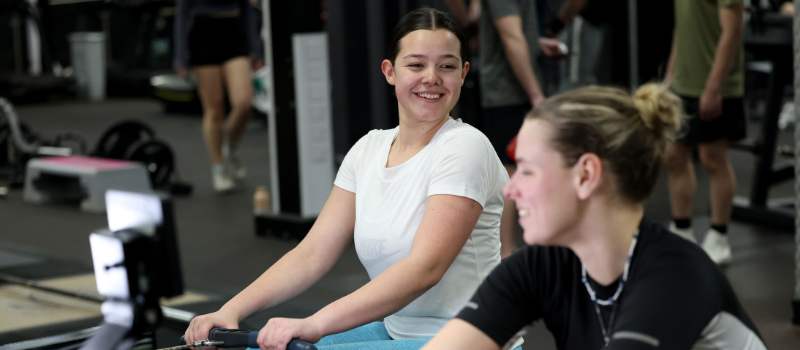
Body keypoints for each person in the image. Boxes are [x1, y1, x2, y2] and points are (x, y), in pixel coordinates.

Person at [183, 7, 507, 350]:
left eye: (447, 66)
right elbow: (312, 254)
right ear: (389, 71)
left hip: (471, 338)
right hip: (400, 332)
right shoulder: (368, 149)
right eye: (415, 65)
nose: (432, 77)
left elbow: (425, 268)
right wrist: (230, 310)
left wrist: (315, 323)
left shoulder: (465, 147)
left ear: (463, 73)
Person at [422, 84, 767, 349]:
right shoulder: (543, 265)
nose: (511, 191)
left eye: (527, 171)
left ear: (586, 175)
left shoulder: (674, 278)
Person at [479, 0, 563, 258]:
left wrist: (535, 43)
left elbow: (517, 34)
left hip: (516, 93)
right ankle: (504, 254)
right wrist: (536, 96)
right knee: (509, 174)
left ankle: (521, 250)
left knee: (524, 170)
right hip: (507, 95)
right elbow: (510, 37)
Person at [663, 0, 745, 265]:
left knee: (712, 157)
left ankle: (719, 236)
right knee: (674, 155)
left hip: (715, 84)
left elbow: (732, 31)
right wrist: (670, 76)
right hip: (683, 83)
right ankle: (681, 229)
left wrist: (713, 87)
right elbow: (683, 28)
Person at [173, 0, 262, 192]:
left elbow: (247, 9)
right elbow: (182, 13)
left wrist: (255, 48)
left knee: (244, 102)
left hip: (233, 31)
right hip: (203, 34)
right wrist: (181, 57)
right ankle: (219, 167)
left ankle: (229, 145)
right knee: (214, 110)